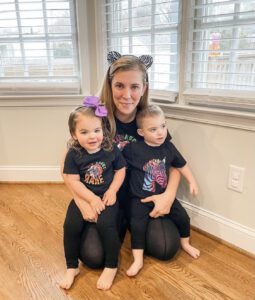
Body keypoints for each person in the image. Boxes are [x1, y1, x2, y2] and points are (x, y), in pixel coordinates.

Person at [62, 51, 183, 269]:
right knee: (93, 257)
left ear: (143, 88)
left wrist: (169, 195)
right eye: (119, 86)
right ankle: (121, 225)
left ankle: (132, 225)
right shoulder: (96, 119)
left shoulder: (151, 120)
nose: (127, 94)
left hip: (144, 199)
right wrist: (82, 201)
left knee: (165, 248)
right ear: (110, 86)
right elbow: (67, 168)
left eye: (134, 86)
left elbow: (174, 163)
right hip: (107, 200)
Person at [122, 104, 200, 277]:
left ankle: (185, 243)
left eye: (163, 126)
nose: (160, 132)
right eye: (154, 129)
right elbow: (117, 164)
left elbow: (181, 165)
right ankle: (138, 259)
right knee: (137, 225)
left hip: (164, 196)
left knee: (183, 217)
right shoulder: (133, 149)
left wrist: (192, 181)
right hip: (139, 199)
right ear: (141, 133)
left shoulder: (168, 148)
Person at [60, 96, 126, 290]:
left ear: (103, 130)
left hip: (106, 197)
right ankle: (72, 267)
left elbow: (120, 170)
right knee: (70, 226)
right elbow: (72, 181)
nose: (92, 136)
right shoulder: (74, 154)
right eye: (84, 132)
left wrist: (113, 190)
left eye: (97, 130)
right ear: (73, 134)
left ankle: (111, 266)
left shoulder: (110, 148)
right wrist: (90, 199)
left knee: (107, 225)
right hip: (84, 197)